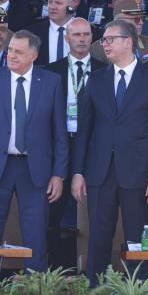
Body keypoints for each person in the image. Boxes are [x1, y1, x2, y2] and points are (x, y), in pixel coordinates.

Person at [71, 20, 148, 285]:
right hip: (100, 171)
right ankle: (96, 292)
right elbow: (84, 130)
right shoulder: (96, 79)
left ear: (128, 42)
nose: (105, 44)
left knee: (137, 239)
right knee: (98, 237)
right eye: (103, 40)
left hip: (139, 172)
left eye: (110, 39)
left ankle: (140, 292)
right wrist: (78, 172)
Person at [0, 30, 69, 281]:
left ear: (33, 56)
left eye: (18, 52)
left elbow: (59, 133)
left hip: (35, 170)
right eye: (10, 50)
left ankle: (35, 289)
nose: (11, 55)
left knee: (36, 234)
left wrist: (59, 174)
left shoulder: (51, 82)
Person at [45, 17, 106, 268]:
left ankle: (90, 267)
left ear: (92, 37)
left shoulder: (104, 70)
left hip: (92, 146)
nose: (81, 39)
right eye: (76, 35)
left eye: (86, 34)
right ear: (66, 38)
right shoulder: (51, 70)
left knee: (90, 207)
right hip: (60, 144)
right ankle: (55, 267)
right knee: (54, 208)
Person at [27, 0, 75, 65]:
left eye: (58, 3)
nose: (52, 7)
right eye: (50, 2)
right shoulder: (32, 33)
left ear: (71, 5)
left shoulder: (87, 31)